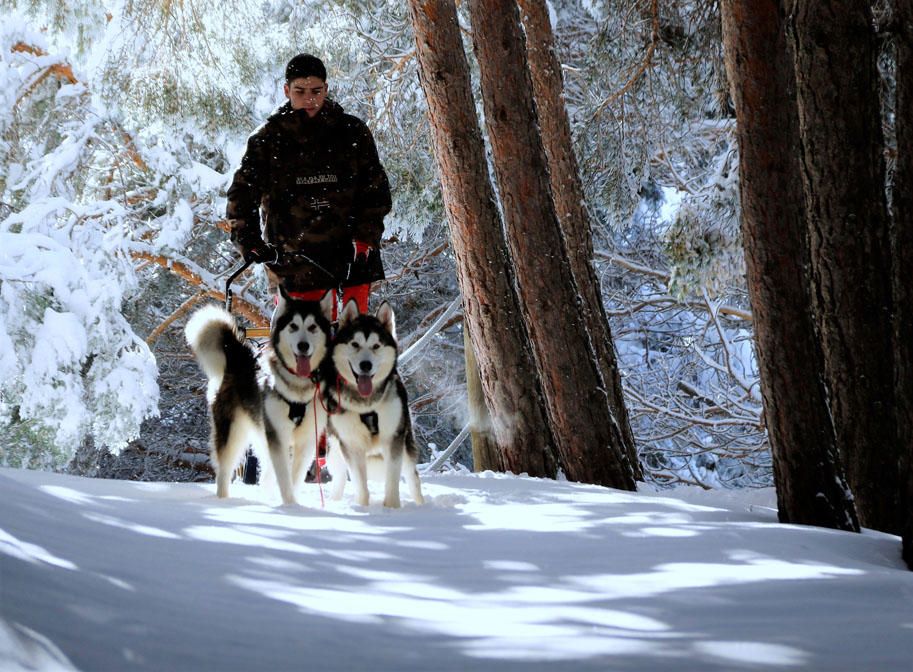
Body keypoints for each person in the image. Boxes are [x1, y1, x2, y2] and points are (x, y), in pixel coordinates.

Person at [226, 53, 392, 318]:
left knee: (350, 346)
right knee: (305, 349)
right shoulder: (267, 140)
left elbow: (376, 192)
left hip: (353, 258)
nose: (309, 98)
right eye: (300, 91)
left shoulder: (353, 132)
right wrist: (250, 243)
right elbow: (241, 197)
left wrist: (365, 238)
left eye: (316, 90)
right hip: (293, 263)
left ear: (326, 89)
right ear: (286, 90)